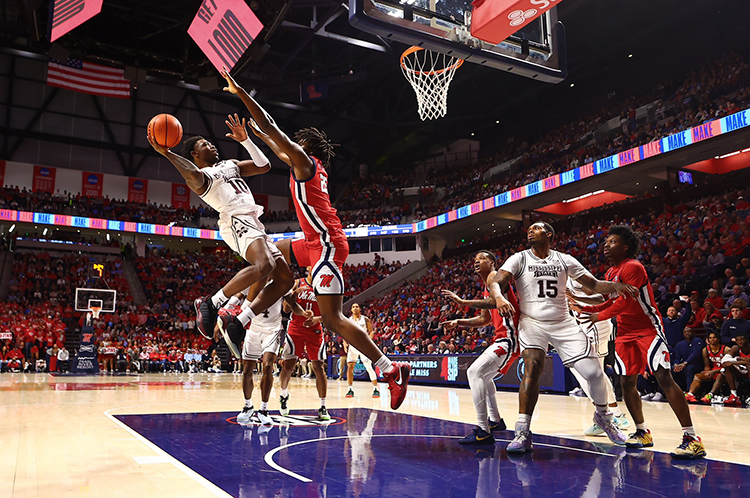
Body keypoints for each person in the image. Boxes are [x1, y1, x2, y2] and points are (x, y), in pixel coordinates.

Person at [219, 67, 410, 409]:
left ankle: (390, 369)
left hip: (326, 245)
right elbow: (273, 144)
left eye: (296, 143)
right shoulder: (305, 166)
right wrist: (249, 138)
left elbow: (272, 129)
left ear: (305, 148)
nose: (290, 145)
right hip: (311, 243)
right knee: (270, 258)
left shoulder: (305, 162)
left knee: (334, 319)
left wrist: (242, 94)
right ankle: (240, 317)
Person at [146, 114, 294, 358]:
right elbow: (191, 175)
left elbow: (264, 165)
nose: (211, 145)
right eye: (204, 144)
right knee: (264, 265)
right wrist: (168, 154)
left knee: (285, 280)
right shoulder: (202, 177)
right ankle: (212, 303)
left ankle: (238, 321)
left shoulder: (230, 164)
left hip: (254, 221)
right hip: (236, 220)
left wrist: (246, 140)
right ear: (194, 155)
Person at [488, 222, 636, 453]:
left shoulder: (564, 259)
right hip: (532, 322)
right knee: (533, 366)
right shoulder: (519, 258)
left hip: (564, 323)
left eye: (536, 228)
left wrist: (616, 285)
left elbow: (594, 285)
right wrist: (499, 298)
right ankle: (523, 430)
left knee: (594, 373)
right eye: (529, 229)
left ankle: (603, 416)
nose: (530, 230)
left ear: (548, 234)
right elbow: (497, 282)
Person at [580, 225, 705, 459]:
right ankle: (641, 431)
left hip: (648, 328)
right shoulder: (610, 274)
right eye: (605, 242)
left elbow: (626, 303)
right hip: (624, 332)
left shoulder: (634, 267)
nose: (606, 245)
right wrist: (589, 309)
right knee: (627, 382)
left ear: (625, 246)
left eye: (612, 242)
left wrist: (598, 315)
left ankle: (691, 438)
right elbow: (611, 304)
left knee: (663, 377)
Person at [440, 251, 520, 445]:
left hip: (509, 338)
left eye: (482, 258)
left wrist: (464, 302)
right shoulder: (486, 287)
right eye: (474, 259)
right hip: (501, 338)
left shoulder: (495, 277)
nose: (476, 261)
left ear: (492, 263)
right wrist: (460, 321)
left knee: (474, 372)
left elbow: (495, 302)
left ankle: (483, 431)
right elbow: (484, 319)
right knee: (484, 376)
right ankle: (495, 421)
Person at [237, 281, 310, 425]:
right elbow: (238, 297)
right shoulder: (253, 280)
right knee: (247, 371)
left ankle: (264, 409)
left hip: (273, 329)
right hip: (253, 329)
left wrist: (303, 312)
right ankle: (248, 406)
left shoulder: (282, 282)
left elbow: (292, 306)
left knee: (268, 366)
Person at [566, 279, 630, 437]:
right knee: (595, 372)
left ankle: (605, 416)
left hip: (594, 325)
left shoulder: (574, 277)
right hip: (587, 325)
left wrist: (575, 297)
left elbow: (600, 299)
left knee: (585, 371)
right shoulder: (557, 280)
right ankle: (615, 414)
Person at [279, 268, 330, 420]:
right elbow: (285, 309)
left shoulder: (325, 287)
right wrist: (293, 296)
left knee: (319, 367)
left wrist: (317, 319)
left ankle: (323, 405)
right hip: (295, 328)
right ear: (308, 267)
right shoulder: (296, 283)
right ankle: (283, 395)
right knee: (288, 365)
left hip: (315, 330)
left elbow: (331, 314)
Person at [344, 303, 380, 399]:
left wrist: (369, 341)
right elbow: (344, 332)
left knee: (368, 366)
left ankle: (376, 389)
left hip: (363, 345)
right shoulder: (349, 320)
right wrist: (344, 342)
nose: (355, 308)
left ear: (359, 309)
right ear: (351, 310)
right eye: (353, 307)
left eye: (356, 307)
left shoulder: (365, 319)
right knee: (350, 367)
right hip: (353, 346)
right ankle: (350, 389)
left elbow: (371, 331)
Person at [684, 331, 727, 405]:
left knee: (720, 376)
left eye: (714, 337)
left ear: (718, 339)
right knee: (698, 376)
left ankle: (710, 395)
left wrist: (715, 371)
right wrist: (707, 373)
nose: (712, 339)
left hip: (724, 372)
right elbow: (707, 366)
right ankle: (690, 394)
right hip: (712, 371)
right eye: (710, 338)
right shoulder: (705, 350)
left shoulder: (726, 349)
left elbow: (728, 366)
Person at [721, 333, 749, 407]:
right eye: (738, 340)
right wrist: (738, 360)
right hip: (741, 372)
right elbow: (724, 361)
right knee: (727, 367)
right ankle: (734, 395)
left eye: (742, 339)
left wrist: (741, 361)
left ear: (747, 340)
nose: (740, 342)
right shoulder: (735, 348)